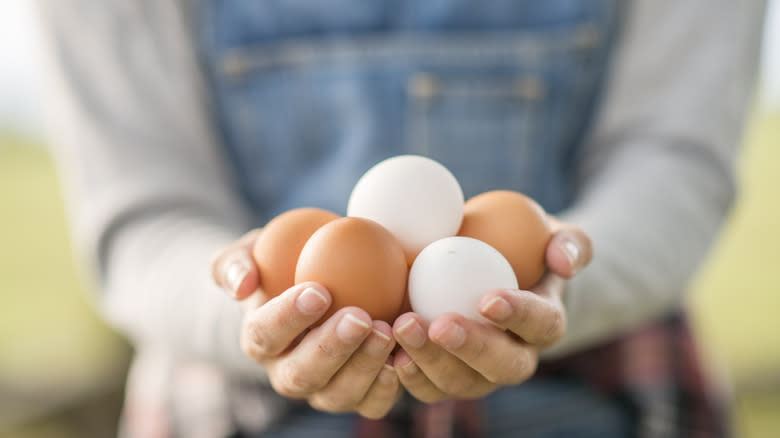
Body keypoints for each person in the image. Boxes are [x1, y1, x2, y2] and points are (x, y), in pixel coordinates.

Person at [39, 0, 765, 437]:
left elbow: (675, 157)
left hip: (596, 398)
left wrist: (560, 279)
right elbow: (144, 215)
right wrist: (254, 308)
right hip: (239, 415)